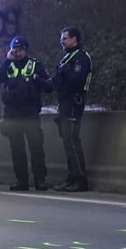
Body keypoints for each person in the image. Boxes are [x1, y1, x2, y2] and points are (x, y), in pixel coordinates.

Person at [0, 35, 54, 191]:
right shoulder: (8, 65)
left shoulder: (35, 65)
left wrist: (37, 79)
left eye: (20, 50)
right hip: (12, 114)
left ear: (25, 50)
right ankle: (21, 180)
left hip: (30, 113)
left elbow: (49, 86)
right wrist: (7, 60)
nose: (17, 53)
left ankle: (40, 180)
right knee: (17, 149)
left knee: (36, 148)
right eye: (15, 50)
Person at [53, 26, 93, 192]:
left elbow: (76, 80)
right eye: (61, 38)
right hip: (65, 103)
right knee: (67, 141)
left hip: (74, 103)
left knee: (72, 140)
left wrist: (63, 73)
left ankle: (80, 179)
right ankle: (71, 177)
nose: (62, 41)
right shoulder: (68, 58)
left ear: (74, 39)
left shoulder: (81, 58)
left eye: (65, 38)